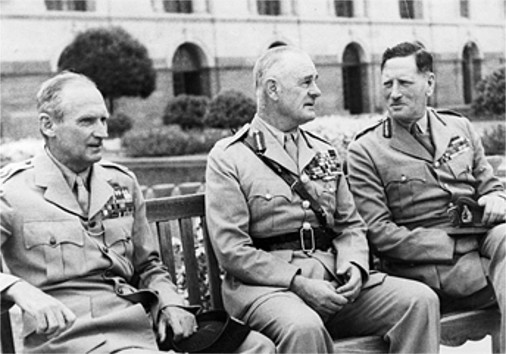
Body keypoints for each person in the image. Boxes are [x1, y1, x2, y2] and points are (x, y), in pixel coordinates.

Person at [0, 71, 274, 354]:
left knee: (257, 347)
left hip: (140, 323)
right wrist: (18, 289)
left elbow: (147, 265)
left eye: (103, 120)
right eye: (87, 122)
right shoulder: (13, 191)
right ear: (48, 125)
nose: (103, 132)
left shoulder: (121, 182)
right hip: (73, 335)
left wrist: (171, 302)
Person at [205, 45, 440, 354]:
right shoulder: (229, 157)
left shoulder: (322, 151)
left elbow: (350, 226)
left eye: (314, 81)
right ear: (273, 89)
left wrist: (354, 266)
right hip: (267, 290)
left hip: (332, 280)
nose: (316, 91)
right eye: (306, 82)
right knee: (304, 327)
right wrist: (298, 282)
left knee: (419, 301)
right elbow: (232, 250)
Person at [347, 41, 506, 353]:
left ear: (429, 83)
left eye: (404, 83)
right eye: (387, 84)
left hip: (482, 250)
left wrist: (497, 198)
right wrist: (453, 245)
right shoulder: (366, 150)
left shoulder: (458, 125)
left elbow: (488, 184)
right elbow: (379, 232)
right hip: (429, 269)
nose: (394, 93)